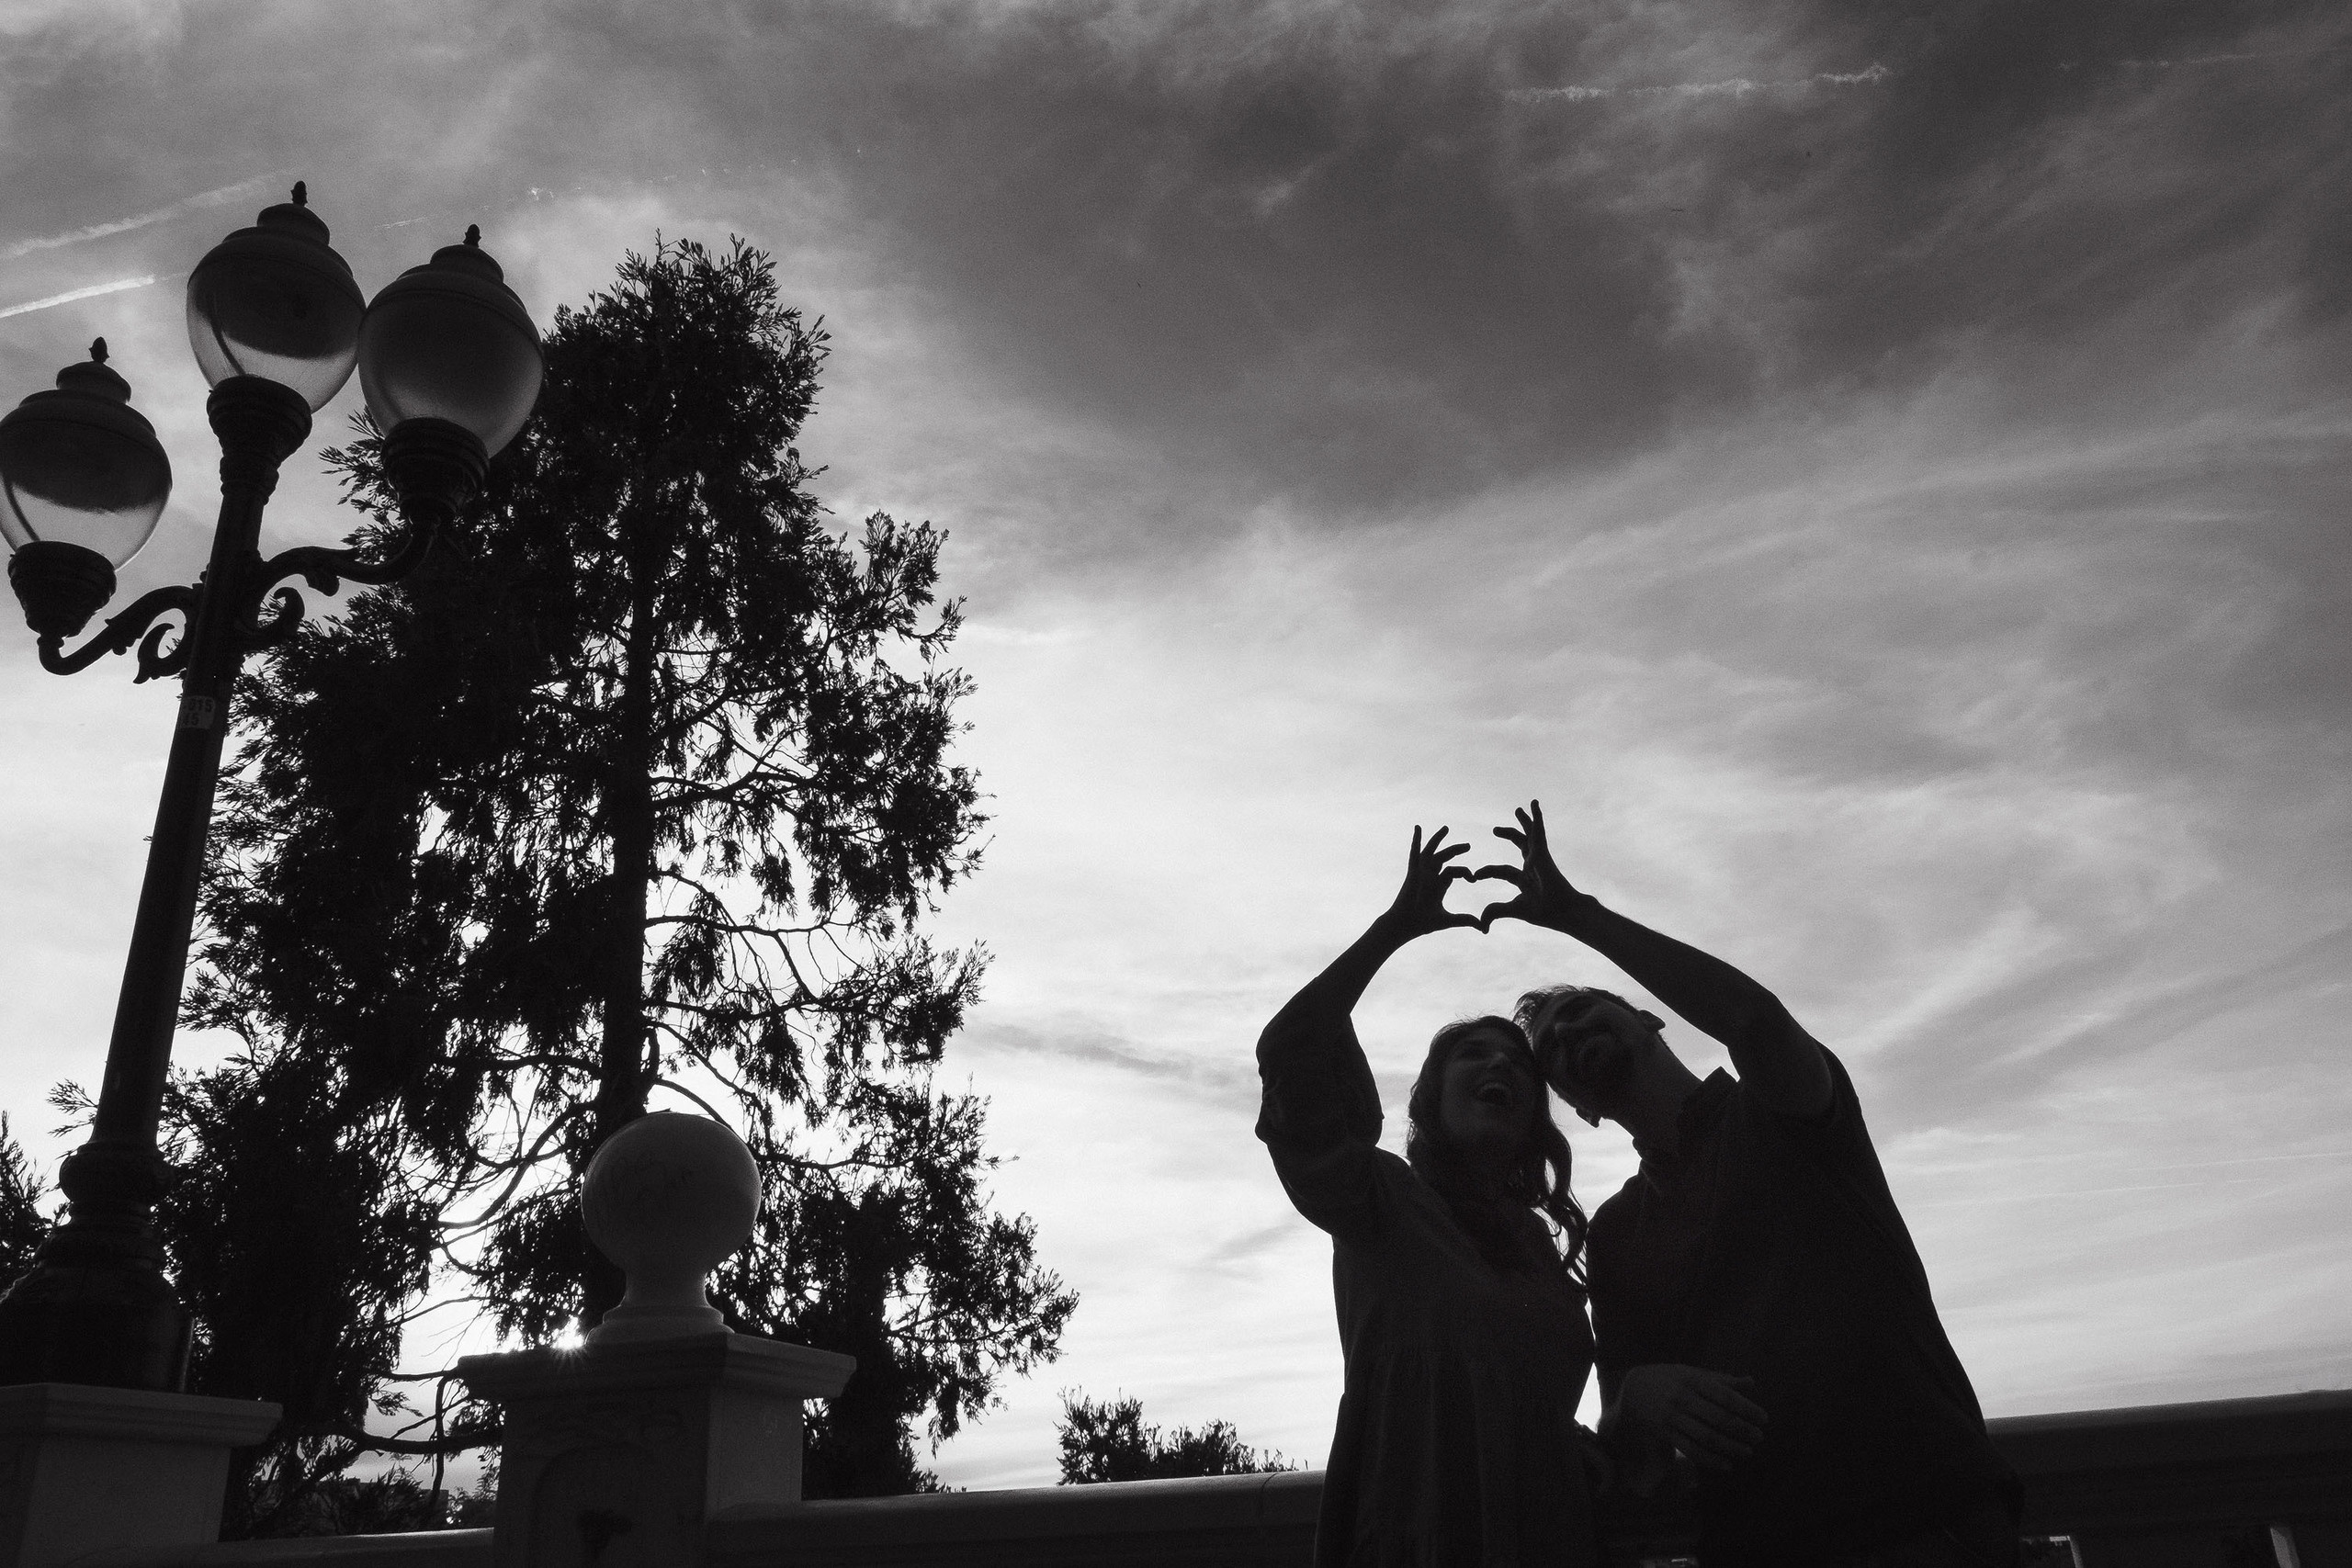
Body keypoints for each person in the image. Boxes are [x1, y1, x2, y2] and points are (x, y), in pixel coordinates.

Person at [1475, 800, 2020, 1568]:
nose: (1565, 1033)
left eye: (1579, 1011)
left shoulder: (1784, 1111)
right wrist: (1638, 1397)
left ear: (1650, 1019)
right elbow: (1634, 1455)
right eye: (1553, 1050)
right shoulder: (1617, 1236)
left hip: (1926, 1524)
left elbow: (1756, 1020)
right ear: (1580, 1110)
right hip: (1756, 1544)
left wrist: (1580, 916)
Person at [1257, 825, 1603, 1568]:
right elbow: (1293, 1050)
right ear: (1428, 1099)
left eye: (1515, 1059)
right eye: (1472, 1053)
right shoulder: (1380, 1200)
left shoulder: (1539, 1250)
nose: (1499, 1064)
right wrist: (1393, 930)